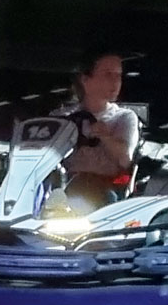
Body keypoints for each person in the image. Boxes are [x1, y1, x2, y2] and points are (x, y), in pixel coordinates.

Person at [50, 49, 140, 204]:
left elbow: (125, 159)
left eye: (118, 75)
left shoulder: (124, 117)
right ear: (86, 80)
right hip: (63, 187)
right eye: (108, 75)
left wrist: (105, 137)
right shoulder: (61, 117)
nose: (115, 82)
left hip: (105, 189)